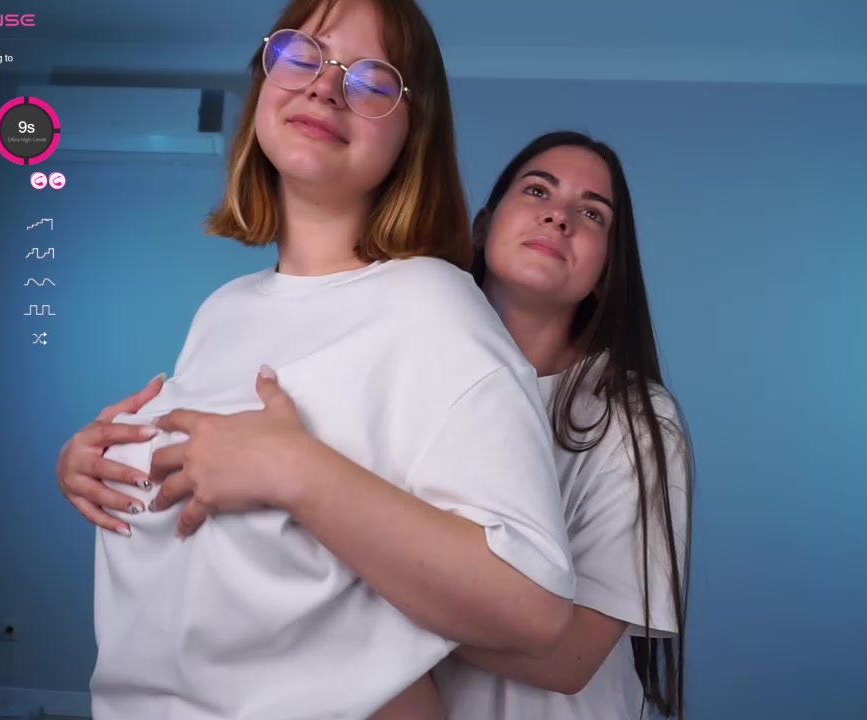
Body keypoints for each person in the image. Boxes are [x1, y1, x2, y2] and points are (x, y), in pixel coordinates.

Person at [54, 0, 576, 718]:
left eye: (372, 79)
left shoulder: (433, 305)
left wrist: (296, 471)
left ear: (413, 134)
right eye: (304, 54)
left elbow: (535, 609)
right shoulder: (225, 310)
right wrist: (105, 466)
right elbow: (233, 542)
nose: (327, 86)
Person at [429, 131, 692, 719]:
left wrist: (359, 587)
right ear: (482, 228)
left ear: (604, 273)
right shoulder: (406, 372)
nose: (559, 216)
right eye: (537, 190)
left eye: (592, 213)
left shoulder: (638, 422)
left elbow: (569, 661)